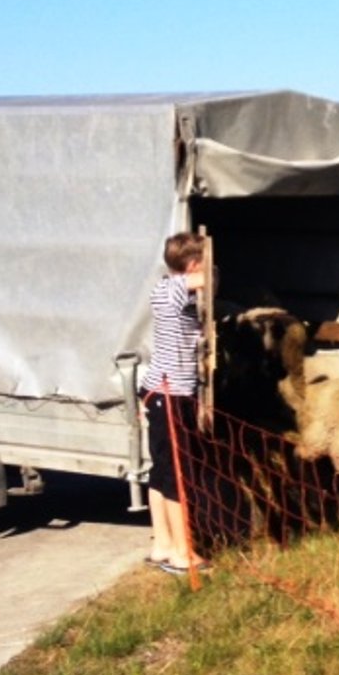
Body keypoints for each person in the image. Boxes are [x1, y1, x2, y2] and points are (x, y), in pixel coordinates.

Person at [140, 231, 208, 576]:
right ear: (194, 264)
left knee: (160, 470)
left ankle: (162, 544)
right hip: (172, 394)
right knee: (176, 474)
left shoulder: (163, 287)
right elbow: (208, 278)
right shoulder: (178, 289)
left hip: (158, 393)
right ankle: (183, 554)